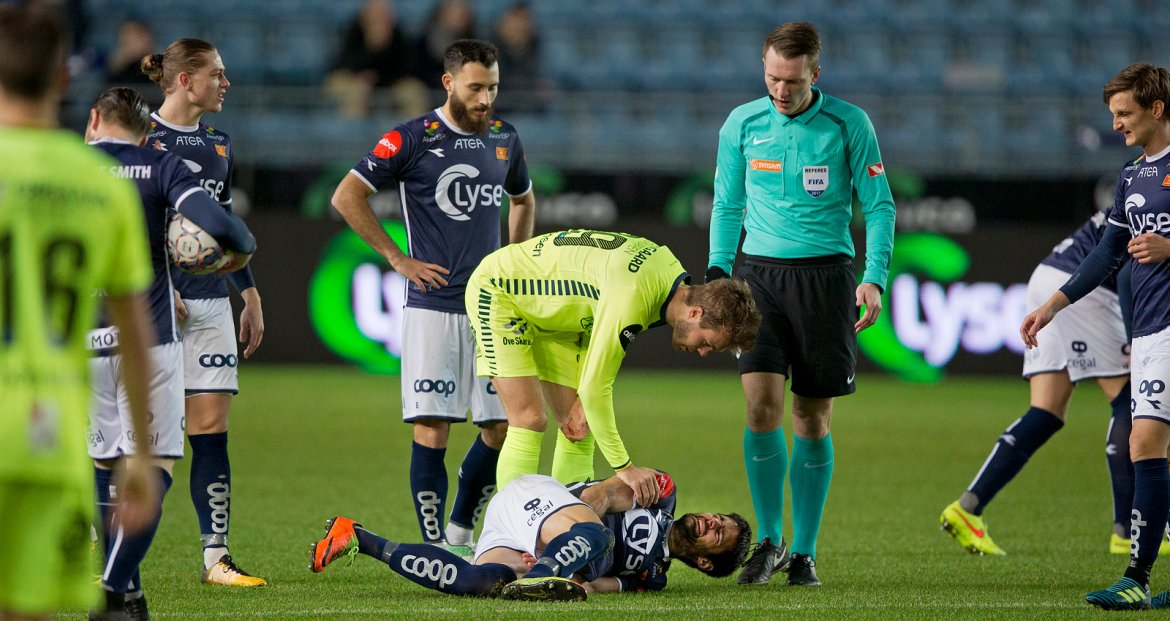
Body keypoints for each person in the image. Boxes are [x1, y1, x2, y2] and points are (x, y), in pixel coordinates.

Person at [706, 22, 896, 587]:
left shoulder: (848, 123)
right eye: (771, 78)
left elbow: (880, 206)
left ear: (816, 73)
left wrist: (874, 277)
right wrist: (719, 273)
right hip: (758, 280)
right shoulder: (742, 123)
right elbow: (726, 203)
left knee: (811, 417)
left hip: (826, 279)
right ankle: (768, 539)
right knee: (760, 408)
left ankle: (805, 552)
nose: (780, 91)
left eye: (791, 80)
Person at [331, 39, 536, 558]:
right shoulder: (412, 138)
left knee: (500, 425)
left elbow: (523, 200)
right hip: (434, 307)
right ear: (448, 83)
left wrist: (514, 262)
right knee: (433, 425)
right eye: (475, 88)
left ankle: (461, 529)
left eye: (492, 87)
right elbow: (346, 195)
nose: (486, 98)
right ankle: (433, 546)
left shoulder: (505, 138)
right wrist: (397, 259)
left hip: (492, 308)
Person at [0, 5, 158, 620]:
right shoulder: (100, 186)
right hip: (48, 437)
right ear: (64, 80)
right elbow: (137, 329)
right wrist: (142, 454)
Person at [85, 86, 256, 619]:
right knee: (152, 463)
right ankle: (114, 589)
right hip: (147, 339)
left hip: (82, 341)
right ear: (144, 131)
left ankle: (128, 589)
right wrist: (233, 258)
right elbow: (230, 228)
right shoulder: (160, 165)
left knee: (104, 458)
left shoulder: (64, 167)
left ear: (93, 121)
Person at [1021, 62, 1170, 611]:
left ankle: (1137, 575)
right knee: (1146, 442)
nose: (1117, 125)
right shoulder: (1133, 177)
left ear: (1157, 109)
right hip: (1153, 329)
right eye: (1113, 115)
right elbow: (1106, 255)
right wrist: (1052, 306)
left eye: (1125, 113)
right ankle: (1140, 578)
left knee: (1144, 441)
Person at [465, 229, 761, 501]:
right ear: (695, 312)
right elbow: (595, 389)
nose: (703, 352)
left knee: (578, 426)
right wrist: (625, 467)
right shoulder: (634, 294)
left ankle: (568, 531)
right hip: (502, 292)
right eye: (707, 341)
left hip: (561, 315)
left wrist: (587, 397)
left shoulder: (669, 273)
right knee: (529, 419)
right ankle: (513, 535)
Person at [141, 37, 267, 587]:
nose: (226, 82)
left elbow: (219, 225)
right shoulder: (141, 138)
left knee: (210, 428)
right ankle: (110, 546)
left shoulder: (219, 142)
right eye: (217, 73)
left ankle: (216, 558)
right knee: (141, 438)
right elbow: (127, 221)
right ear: (185, 80)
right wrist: (154, 282)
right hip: (151, 305)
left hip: (212, 302)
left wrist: (249, 291)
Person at [941, 214, 1140, 557]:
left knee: (1047, 410)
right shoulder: (1159, 183)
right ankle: (1127, 531)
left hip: (1049, 277)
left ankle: (967, 509)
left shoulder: (1142, 177)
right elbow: (1125, 275)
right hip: (1083, 288)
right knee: (1131, 395)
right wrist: (1136, 337)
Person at [309, 470, 752, 601]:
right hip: (539, 502)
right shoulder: (662, 495)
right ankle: (538, 578)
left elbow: (600, 585)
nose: (712, 521)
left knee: (476, 583)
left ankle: (359, 538)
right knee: (600, 536)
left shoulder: (653, 576)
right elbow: (602, 493)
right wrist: (567, 544)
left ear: (705, 563)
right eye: (719, 517)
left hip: (521, 538)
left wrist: (574, 578)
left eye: (720, 533)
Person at [324, 0, 427, 118]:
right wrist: (371, 48)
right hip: (355, 79)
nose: (379, 19)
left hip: (392, 82)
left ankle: (414, 134)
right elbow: (345, 62)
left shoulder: (397, 34)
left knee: (413, 91)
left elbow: (406, 66)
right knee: (354, 91)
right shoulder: (353, 31)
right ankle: (354, 131)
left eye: (383, 14)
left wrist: (382, 49)